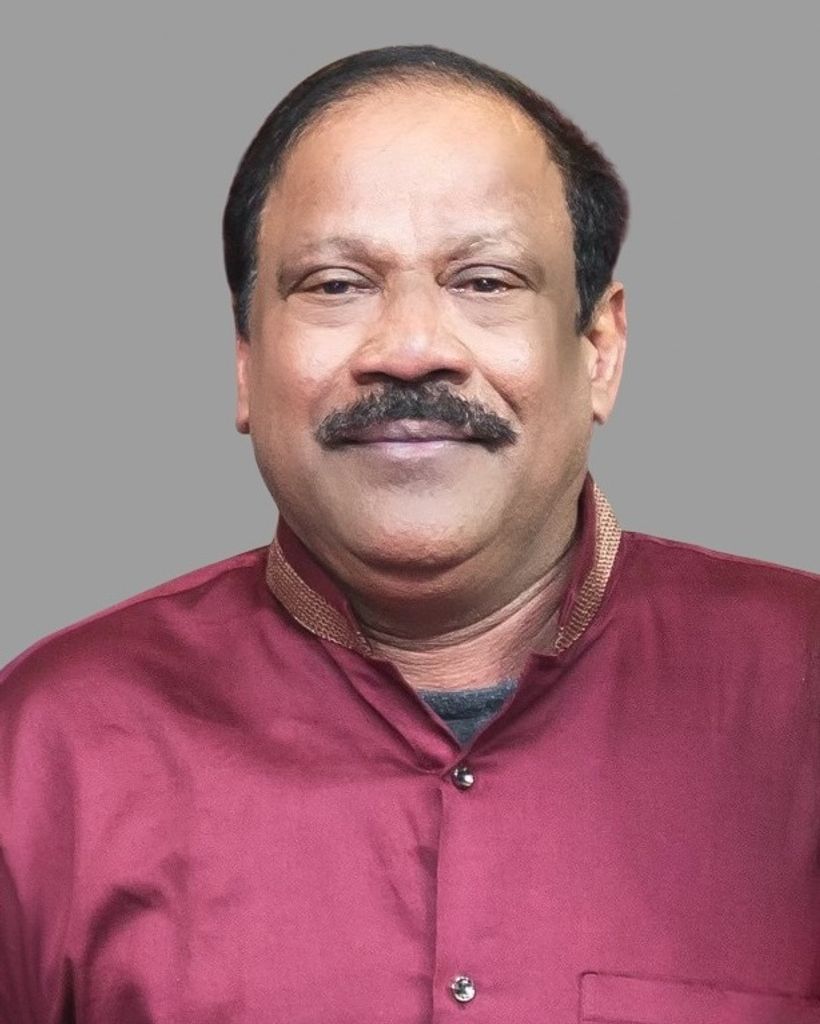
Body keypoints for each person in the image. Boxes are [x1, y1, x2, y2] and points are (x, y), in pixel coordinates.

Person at [1, 44, 818, 1024]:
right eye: (335, 285)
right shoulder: (50, 748)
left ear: (599, 349)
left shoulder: (801, 690)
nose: (411, 349)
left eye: (486, 280)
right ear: (245, 362)